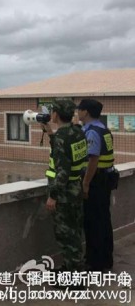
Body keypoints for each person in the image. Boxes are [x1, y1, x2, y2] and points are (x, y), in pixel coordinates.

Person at [41, 99, 87, 276]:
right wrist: (52, 135)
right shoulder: (78, 131)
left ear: (56, 114)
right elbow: (67, 154)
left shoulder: (63, 137)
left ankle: (74, 277)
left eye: (52, 111)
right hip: (76, 188)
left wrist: (53, 196)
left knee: (66, 235)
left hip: (65, 194)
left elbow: (63, 171)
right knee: (75, 231)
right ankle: (71, 268)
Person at [77, 98, 115, 272]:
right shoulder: (103, 129)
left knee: (93, 223)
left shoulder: (91, 132)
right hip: (105, 180)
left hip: (96, 182)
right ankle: (105, 260)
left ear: (86, 112)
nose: (77, 112)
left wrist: (85, 184)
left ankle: (95, 263)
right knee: (103, 221)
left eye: (79, 109)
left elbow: (93, 159)